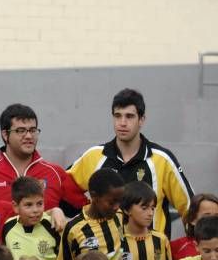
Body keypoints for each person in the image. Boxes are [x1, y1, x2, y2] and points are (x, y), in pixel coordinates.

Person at [68, 88, 194, 238]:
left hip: (152, 257)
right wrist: (82, 209)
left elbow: (191, 209)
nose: (122, 123)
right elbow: (62, 187)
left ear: (141, 120)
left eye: (129, 116)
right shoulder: (94, 156)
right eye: (117, 116)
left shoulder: (162, 159)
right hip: (106, 257)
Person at [0, 104, 87, 228]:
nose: (28, 136)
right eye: (20, 131)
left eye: (33, 130)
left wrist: (58, 213)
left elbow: (87, 212)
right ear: (5, 135)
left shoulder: (55, 173)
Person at [57, 168, 126, 260]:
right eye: (112, 202)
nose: (116, 207)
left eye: (120, 201)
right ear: (94, 197)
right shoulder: (74, 229)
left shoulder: (119, 216)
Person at [119, 181, 172, 260]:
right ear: (127, 210)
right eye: (144, 208)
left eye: (152, 208)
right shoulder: (117, 240)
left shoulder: (161, 240)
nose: (150, 213)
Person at [3, 176, 61, 260]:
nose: (35, 210)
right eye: (28, 205)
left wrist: (56, 210)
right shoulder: (8, 227)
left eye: (39, 203)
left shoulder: (53, 225)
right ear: (15, 207)